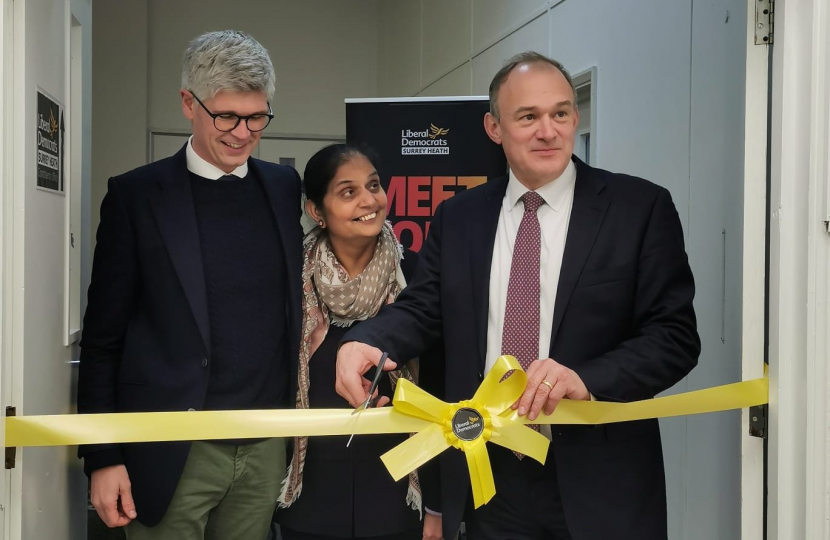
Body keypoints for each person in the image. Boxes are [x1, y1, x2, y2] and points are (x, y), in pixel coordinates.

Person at [334, 51, 700, 540]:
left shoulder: (639, 208)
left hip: (601, 479)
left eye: (561, 113)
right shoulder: (459, 217)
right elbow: (425, 310)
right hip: (488, 475)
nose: (548, 131)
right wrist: (369, 339)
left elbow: (674, 336)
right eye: (528, 117)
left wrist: (585, 378)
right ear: (494, 127)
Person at [77, 30, 302, 540]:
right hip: (170, 449)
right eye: (227, 116)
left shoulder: (284, 188)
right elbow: (103, 341)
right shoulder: (135, 197)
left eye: (257, 117)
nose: (243, 133)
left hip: (263, 444)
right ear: (188, 103)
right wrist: (102, 457)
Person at [274, 144, 425, 540]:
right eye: (348, 192)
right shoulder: (288, 280)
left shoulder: (417, 277)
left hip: (395, 499)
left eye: (373, 185)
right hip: (309, 501)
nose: (369, 200)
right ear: (316, 211)